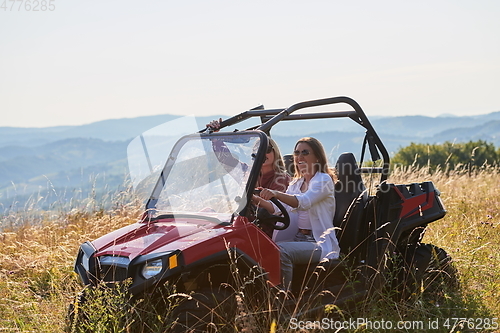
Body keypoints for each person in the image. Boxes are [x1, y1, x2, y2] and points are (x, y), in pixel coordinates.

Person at [253, 137, 340, 290]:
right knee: (265, 249)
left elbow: (303, 202)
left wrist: (276, 193)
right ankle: (264, 295)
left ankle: (283, 299)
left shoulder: (323, 180)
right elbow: (276, 208)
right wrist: (251, 198)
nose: (300, 157)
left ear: (317, 157)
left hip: (318, 242)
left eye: (305, 152)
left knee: (283, 252)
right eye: (297, 153)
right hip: (299, 238)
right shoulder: (296, 183)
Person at [206, 119, 290, 235]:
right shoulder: (248, 173)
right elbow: (227, 161)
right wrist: (216, 138)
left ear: (275, 152)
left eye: (268, 150)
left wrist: (253, 198)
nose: (263, 154)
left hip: (268, 230)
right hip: (244, 226)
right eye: (257, 151)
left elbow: (275, 210)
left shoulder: (282, 179)